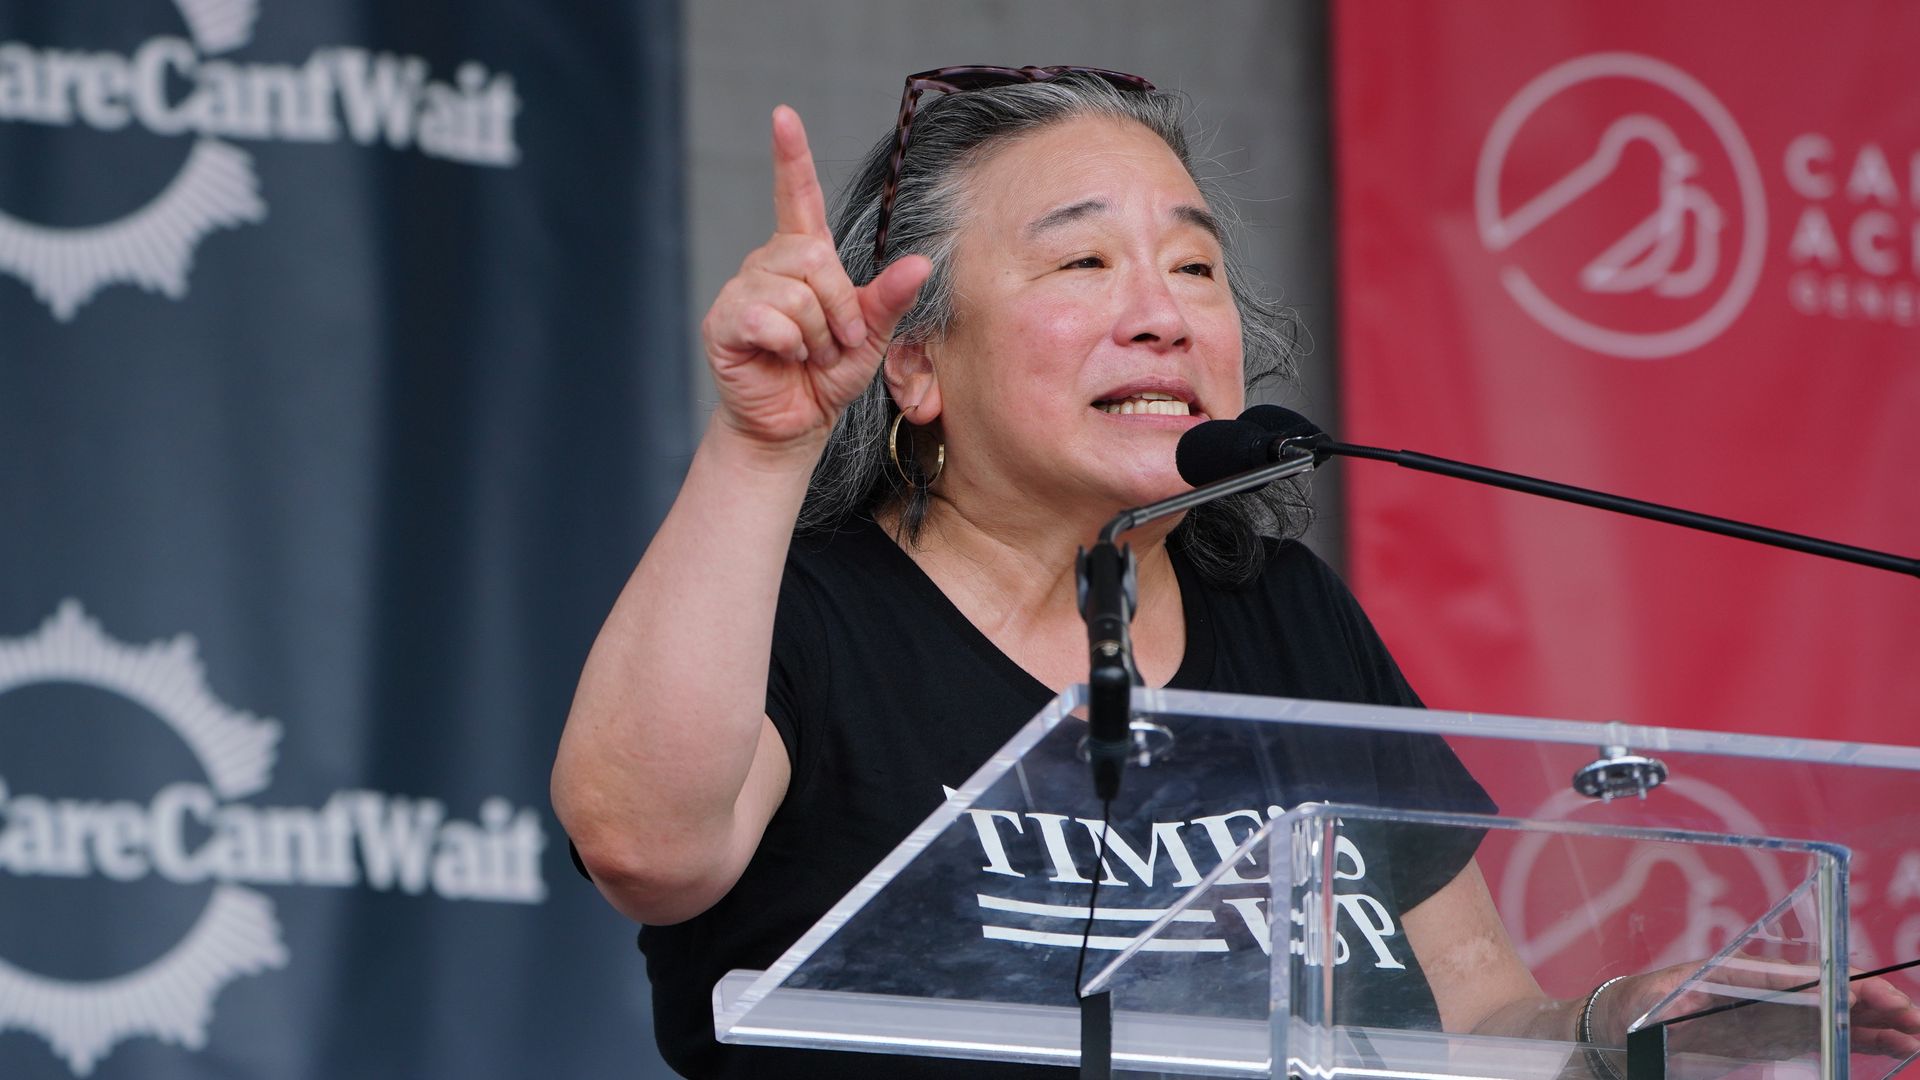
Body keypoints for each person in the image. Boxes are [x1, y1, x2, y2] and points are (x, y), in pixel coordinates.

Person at [550, 68, 1920, 1080]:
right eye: (1084, 259)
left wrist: (1650, 1024)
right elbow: (645, 849)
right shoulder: (806, 613)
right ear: (915, 359)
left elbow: (1478, 1014)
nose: (1163, 311)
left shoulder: (1286, 616)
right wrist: (758, 445)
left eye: (1196, 266)